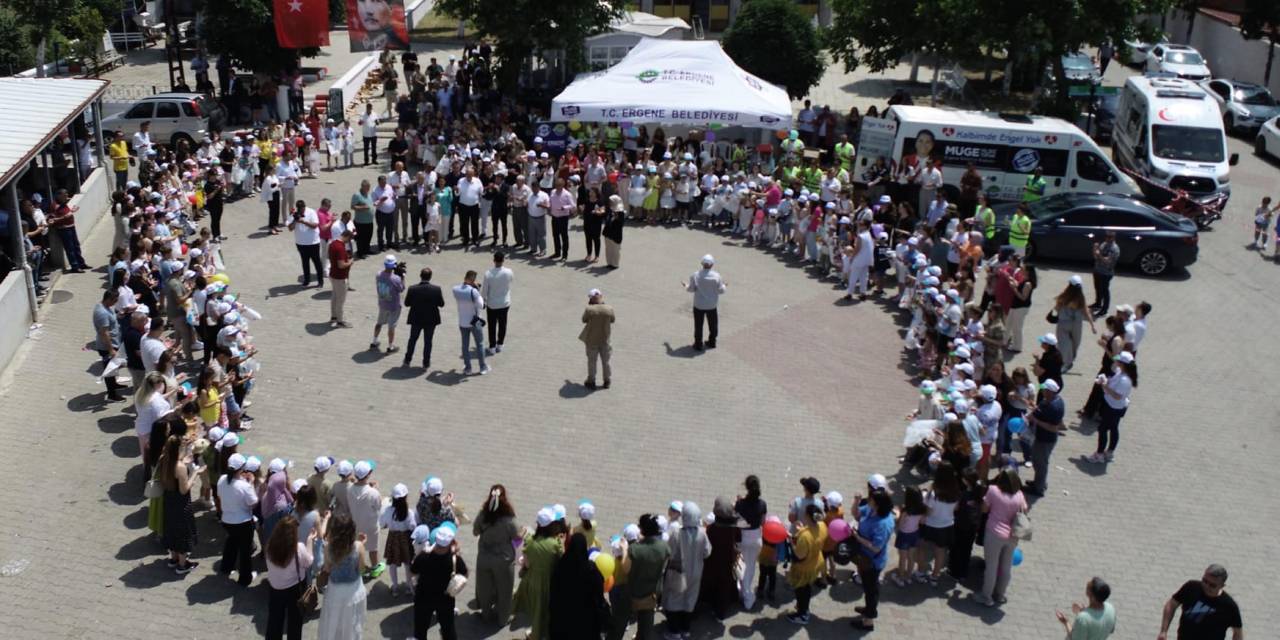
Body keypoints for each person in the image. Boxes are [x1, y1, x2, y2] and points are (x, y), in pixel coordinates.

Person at [977, 468, 1028, 607]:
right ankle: (1000, 595)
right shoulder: (1019, 495)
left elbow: (984, 509)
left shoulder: (993, 490)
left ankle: (986, 596)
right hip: (1012, 535)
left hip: (994, 533)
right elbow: (1025, 510)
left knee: (991, 567)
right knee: (1006, 567)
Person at [472, 484, 520, 625]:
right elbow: (517, 538)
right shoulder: (509, 519)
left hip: (484, 558)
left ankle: (486, 615)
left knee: (484, 589)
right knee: (505, 591)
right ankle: (503, 619)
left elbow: (475, 532)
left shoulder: (483, 515)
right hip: (504, 561)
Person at [513, 508, 563, 640]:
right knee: (543, 610)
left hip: (532, 579)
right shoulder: (555, 544)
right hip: (548, 581)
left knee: (535, 608)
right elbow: (560, 560)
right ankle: (538, 634)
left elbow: (527, 564)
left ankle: (531, 630)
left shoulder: (530, 541)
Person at [316, 515, 369, 640]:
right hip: (354, 591)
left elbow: (327, 569)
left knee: (334, 621)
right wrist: (362, 544)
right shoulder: (358, 546)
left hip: (335, 591)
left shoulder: (328, 547)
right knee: (352, 623)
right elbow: (361, 569)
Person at [412, 522, 467, 640]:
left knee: (420, 630)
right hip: (445, 599)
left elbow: (413, 571)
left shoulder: (423, 556)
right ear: (451, 542)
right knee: (448, 630)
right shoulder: (455, 559)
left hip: (423, 597)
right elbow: (465, 574)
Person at [663, 502, 711, 637]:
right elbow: (707, 552)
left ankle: (674, 632)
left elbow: (668, 551)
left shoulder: (676, 533)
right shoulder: (702, 533)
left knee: (673, 600)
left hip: (678, 572)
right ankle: (686, 629)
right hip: (696, 573)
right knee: (690, 600)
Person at [1157, 564, 1243, 640]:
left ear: (1222, 586)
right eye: (1205, 581)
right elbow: (1171, 605)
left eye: (1212, 585)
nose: (1206, 586)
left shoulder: (1229, 606)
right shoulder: (1191, 587)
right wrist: (1163, 631)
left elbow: (1238, 633)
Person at [850, 489, 895, 630]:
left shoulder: (883, 524)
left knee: (871, 591)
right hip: (865, 558)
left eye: (871, 500)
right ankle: (868, 609)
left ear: (878, 505)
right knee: (868, 588)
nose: (868, 501)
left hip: (873, 562)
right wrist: (856, 502)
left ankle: (868, 621)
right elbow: (857, 515)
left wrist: (858, 538)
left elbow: (875, 548)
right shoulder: (871, 510)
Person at [265, 515, 315, 640]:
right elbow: (308, 562)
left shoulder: (269, 546)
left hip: (275, 588)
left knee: (274, 621)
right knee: (295, 622)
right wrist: (310, 541)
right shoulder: (298, 548)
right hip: (295, 589)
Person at [549, 533, 608, 638]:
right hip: (586, 618)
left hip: (564, 616)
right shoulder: (590, 569)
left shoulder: (562, 566)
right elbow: (599, 590)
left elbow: (554, 589)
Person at [156, 435, 200, 574]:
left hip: (168, 500)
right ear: (178, 449)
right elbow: (184, 489)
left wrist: (183, 460)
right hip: (181, 504)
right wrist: (195, 473)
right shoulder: (179, 467)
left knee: (171, 529)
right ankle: (182, 565)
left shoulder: (163, 459)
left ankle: (173, 558)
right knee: (183, 532)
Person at [624, 514, 670, 640]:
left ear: (642, 530)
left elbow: (625, 569)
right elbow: (664, 565)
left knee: (635, 613)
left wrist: (623, 551)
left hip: (636, 590)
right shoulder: (664, 547)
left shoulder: (634, 549)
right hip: (653, 591)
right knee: (647, 619)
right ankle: (642, 636)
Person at [217, 452, 258, 586]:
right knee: (245, 551)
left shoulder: (222, 479)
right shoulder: (244, 486)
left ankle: (226, 567)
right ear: (241, 469)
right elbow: (253, 503)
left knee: (231, 542)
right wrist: (251, 483)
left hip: (227, 520)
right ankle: (245, 578)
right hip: (243, 522)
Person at [1088, 351, 1136, 464]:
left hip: (1114, 408)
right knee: (1114, 428)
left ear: (1123, 363)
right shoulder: (1120, 372)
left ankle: (1099, 455)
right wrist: (1106, 381)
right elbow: (1113, 382)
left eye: (1118, 360)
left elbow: (1117, 396)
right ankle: (1109, 452)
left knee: (1103, 429)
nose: (1116, 361)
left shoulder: (1125, 380)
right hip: (1112, 405)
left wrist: (1104, 385)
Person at [785, 503, 827, 626]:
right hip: (816, 562)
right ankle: (803, 608)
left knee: (801, 590)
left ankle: (802, 614)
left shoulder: (805, 537)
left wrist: (791, 541)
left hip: (804, 568)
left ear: (808, 516)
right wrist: (802, 529)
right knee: (807, 588)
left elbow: (799, 555)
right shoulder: (823, 525)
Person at [1026, 379, 1065, 496]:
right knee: (1037, 461)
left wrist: (1035, 420)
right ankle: (1039, 482)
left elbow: (1054, 428)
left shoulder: (1055, 407)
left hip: (1046, 440)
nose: (1042, 391)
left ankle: (1039, 489)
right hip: (1041, 437)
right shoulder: (1048, 400)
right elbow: (1040, 409)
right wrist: (1034, 409)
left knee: (1040, 463)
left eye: (1044, 389)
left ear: (1050, 391)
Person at [733, 475, 766, 609]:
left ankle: (741, 591)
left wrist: (738, 503)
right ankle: (747, 596)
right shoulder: (762, 504)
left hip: (743, 538)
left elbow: (737, 521)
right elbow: (763, 522)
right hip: (756, 538)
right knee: (750, 567)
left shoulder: (740, 504)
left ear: (746, 487)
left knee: (739, 565)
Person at [402, 267, 445, 369]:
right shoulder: (436, 289)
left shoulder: (412, 288)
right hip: (431, 320)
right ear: (430, 277)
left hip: (416, 318)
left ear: (420, 276)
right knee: (428, 341)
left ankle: (408, 359)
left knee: (412, 339)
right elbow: (441, 304)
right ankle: (426, 362)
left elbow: (407, 303)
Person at [452, 269, 490, 374]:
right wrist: (477, 289)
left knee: (465, 345)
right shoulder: (474, 291)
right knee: (480, 344)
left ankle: (468, 368)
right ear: (473, 280)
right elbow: (482, 306)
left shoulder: (455, 289)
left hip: (462, 322)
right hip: (474, 322)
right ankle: (483, 367)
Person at [685, 254, 726, 351]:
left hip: (699, 305)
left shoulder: (695, 275)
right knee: (713, 324)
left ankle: (698, 344)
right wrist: (725, 286)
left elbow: (691, 289)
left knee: (698, 325)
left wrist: (686, 286)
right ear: (712, 265)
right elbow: (721, 291)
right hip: (712, 305)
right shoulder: (717, 276)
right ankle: (712, 342)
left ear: (702, 263)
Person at [93, 289, 126, 402]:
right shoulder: (102, 313)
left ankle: (114, 385)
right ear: (108, 299)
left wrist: (117, 317)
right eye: (115, 300)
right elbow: (104, 333)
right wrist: (111, 349)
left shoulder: (105, 308)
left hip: (113, 343)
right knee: (109, 369)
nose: (115, 303)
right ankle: (112, 394)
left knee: (113, 367)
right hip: (107, 346)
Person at [579, 288, 615, 390]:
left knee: (592, 361)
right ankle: (607, 381)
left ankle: (591, 381)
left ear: (591, 299)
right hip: (605, 339)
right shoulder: (609, 308)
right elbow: (612, 320)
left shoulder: (589, 310)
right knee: (606, 361)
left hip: (592, 340)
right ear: (601, 296)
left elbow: (584, 320)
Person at [371, 255, 405, 354]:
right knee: (391, 326)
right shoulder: (396, 279)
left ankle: (374, 341)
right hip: (393, 306)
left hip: (382, 304)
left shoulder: (378, 275)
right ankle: (390, 346)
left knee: (379, 323)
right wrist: (402, 277)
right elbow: (401, 289)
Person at [48, 188, 88, 272]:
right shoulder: (55, 205)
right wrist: (66, 216)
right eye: (64, 196)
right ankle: (75, 266)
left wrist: (72, 211)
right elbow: (52, 220)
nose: (66, 197)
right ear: (58, 196)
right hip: (64, 229)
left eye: (66, 195)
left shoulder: (63, 203)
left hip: (71, 227)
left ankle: (81, 263)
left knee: (76, 246)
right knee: (70, 248)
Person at [482, 252, 513, 354]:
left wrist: (482, 301)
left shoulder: (488, 274)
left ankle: (492, 347)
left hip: (492, 304)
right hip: (505, 303)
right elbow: (511, 281)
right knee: (503, 324)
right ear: (503, 260)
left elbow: (484, 290)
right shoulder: (508, 272)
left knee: (492, 326)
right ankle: (500, 344)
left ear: (494, 260)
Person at [288, 200, 323, 288]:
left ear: (304, 207)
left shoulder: (311, 212)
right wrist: (295, 221)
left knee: (317, 262)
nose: (301, 211)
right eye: (300, 210)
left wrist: (303, 221)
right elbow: (290, 228)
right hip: (301, 243)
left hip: (313, 242)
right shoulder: (294, 214)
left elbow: (315, 225)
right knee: (305, 262)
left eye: (302, 209)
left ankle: (320, 281)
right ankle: (306, 281)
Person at [1090, 230, 1120, 318]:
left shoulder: (1114, 248)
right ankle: (1098, 304)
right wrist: (1094, 249)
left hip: (1106, 273)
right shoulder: (1103, 244)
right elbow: (1095, 257)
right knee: (1098, 288)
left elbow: (1108, 261)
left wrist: (1098, 254)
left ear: (1114, 237)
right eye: (1107, 236)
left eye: (1110, 237)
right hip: (1097, 270)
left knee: (1105, 291)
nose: (1108, 238)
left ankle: (1104, 309)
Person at [328, 228, 354, 327]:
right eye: (349, 239)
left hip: (333, 275)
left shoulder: (333, 244)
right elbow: (341, 265)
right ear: (347, 236)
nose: (349, 242)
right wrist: (350, 262)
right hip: (340, 278)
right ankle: (340, 321)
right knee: (340, 300)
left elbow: (330, 257)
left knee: (334, 298)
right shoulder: (340, 248)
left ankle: (333, 317)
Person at [603, 194, 625, 268]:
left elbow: (621, 224)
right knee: (608, 249)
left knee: (615, 250)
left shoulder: (620, 212)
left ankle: (615, 264)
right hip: (608, 233)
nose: (610, 202)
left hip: (615, 234)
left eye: (611, 201)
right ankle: (609, 263)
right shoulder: (609, 209)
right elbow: (606, 219)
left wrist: (616, 218)